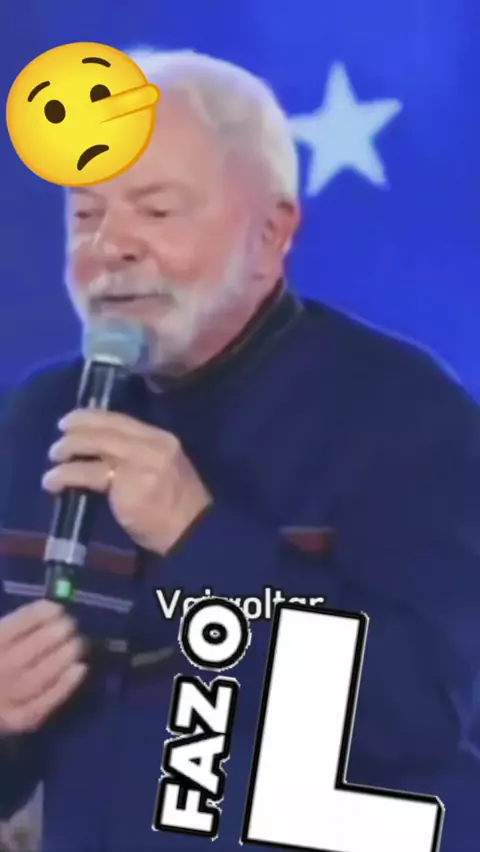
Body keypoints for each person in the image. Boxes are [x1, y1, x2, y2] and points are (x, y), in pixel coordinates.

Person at [0, 48, 479, 852]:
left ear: (272, 233)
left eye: (156, 211)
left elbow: (422, 716)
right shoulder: (36, 417)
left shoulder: (408, 418)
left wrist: (199, 541)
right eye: (86, 215)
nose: (110, 246)